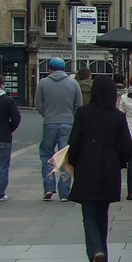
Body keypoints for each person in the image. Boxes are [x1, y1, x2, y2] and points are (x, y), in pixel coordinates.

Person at [66, 75, 132, 262]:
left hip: (87, 165)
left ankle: (96, 251)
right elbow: (128, 147)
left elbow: (75, 141)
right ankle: (102, 251)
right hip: (109, 167)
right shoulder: (118, 116)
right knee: (102, 212)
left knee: (88, 212)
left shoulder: (83, 113)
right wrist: (118, 162)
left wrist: (74, 162)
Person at [35, 58, 82, 201]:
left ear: (50, 69)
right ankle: (64, 192)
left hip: (49, 122)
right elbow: (78, 105)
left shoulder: (43, 83)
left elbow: (38, 104)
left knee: (46, 155)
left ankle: (49, 188)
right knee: (65, 157)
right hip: (68, 123)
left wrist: (47, 114)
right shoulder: (73, 83)